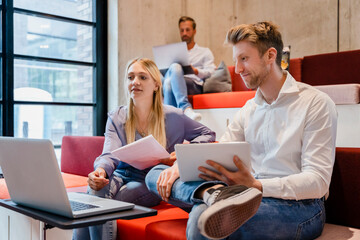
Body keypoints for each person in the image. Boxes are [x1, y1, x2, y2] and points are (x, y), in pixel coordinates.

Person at [145, 21, 337, 239]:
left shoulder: (316, 103)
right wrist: (183, 164)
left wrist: (257, 185)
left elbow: (318, 181)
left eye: (244, 59)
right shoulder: (249, 109)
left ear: (270, 56)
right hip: (243, 194)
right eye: (236, 60)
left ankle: (212, 200)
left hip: (300, 207)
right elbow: (223, 148)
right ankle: (211, 194)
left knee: (202, 217)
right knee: (156, 174)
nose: (237, 69)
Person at [73, 57, 215, 240]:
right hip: (119, 175)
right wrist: (100, 171)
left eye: (142, 77)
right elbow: (108, 153)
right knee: (94, 192)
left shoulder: (174, 116)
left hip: (148, 181)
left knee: (98, 204)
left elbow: (208, 134)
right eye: (130, 77)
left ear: (156, 84)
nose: (135, 82)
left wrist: (181, 156)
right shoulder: (117, 117)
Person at [162, 16, 216, 121]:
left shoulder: (204, 51)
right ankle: (185, 110)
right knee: (168, 81)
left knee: (174, 69)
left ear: (194, 31)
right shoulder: (174, 53)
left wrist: (196, 71)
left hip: (193, 85)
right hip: (174, 82)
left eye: (187, 30)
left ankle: (167, 118)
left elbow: (212, 71)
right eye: (182, 30)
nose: (184, 33)